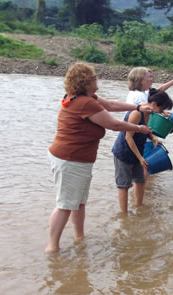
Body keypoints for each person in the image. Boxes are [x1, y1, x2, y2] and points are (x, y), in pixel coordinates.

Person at [46, 62, 154, 253]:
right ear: (85, 82)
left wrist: (137, 107)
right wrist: (139, 128)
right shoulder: (84, 103)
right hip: (70, 159)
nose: (97, 80)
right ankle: (52, 248)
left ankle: (79, 238)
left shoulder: (88, 97)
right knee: (65, 204)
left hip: (77, 160)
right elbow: (115, 125)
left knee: (78, 202)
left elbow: (111, 104)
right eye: (94, 78)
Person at [112, 92, 173, 213]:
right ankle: (124, 215)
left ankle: (138, 208)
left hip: (138, 150)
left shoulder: (149, 112)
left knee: (140, 181)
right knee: (124, 185)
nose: (161, 112)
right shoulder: (136, 113)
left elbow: (146, 129)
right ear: (154, 103)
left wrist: (153, 138)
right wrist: (140, 158)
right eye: (161, 109)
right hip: (124, 152)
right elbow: (128, 138)